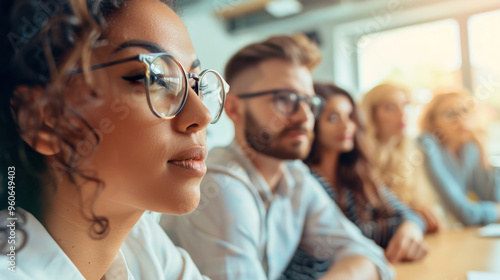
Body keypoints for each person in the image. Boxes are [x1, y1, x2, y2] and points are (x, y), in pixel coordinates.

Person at [0, 0, 229, 279]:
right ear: (41, 120)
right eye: (153, 78)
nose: (202, 114)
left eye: (195, 84)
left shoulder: (144, 246)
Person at [161, 34, 393, 280]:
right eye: (285, 99)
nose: (305, 117)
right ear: (233, 109)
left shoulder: (294, 177)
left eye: (309, 102)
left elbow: (366, 253)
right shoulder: (219, 186)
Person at [284, 83, 427, 279]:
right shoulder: (302, 181)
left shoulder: (355, 176)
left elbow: (405, 214)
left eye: (349, 116)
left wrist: (410, 228)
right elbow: (348, 237)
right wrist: (392, 228)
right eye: (333, 118)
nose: (346, 126)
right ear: (312, 121)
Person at [361, 83, 444, 232]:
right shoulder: (360, 156)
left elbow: (424, 203)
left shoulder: (412, 151)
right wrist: (413, 216)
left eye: (405, 106)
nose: (402, 114)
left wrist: (424, 214)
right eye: (391, 108)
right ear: (372, 115)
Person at [418, 91, 500, 226]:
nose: (460, 119)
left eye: (465, 111)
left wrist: (482, 149)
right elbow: (465, 213)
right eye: (450, 114)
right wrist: (495, 211)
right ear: (433, 121)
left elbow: (493, 198)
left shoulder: (469, 149)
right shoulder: (428, 145)